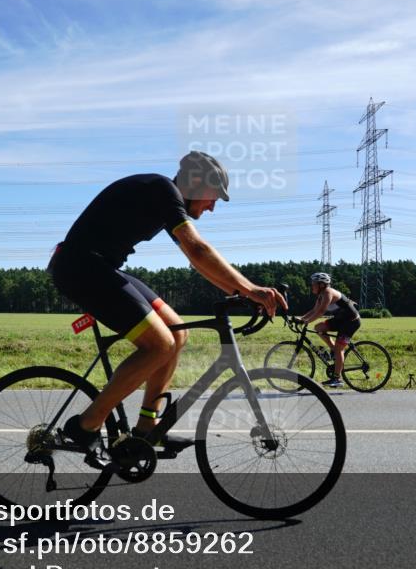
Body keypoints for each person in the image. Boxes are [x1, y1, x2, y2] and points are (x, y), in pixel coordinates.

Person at [48, 151, 286, 455]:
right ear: (196, 183)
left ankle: (148, 428)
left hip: (99, 266)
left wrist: (240, 293)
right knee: (159, 344)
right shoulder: (164, 190)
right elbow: (197, 248)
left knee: (176, 332)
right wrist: (252, 289)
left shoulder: (164, 198)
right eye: (213, 197)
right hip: (80, 267)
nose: (212, 207)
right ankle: (85, 426)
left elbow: (196, 260)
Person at [295, 272, 361, 388]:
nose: (312, 286)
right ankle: (334, 350)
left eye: (314, 284)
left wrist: (306, 321)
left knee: (339, 349)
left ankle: (337, 378)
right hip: (341, 320)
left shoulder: (328, 293)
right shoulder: (321, 295)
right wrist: (301, 318)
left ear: (321, 284)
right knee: (318, 327)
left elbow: (321, 312)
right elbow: (314, 310)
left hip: (351, 322)